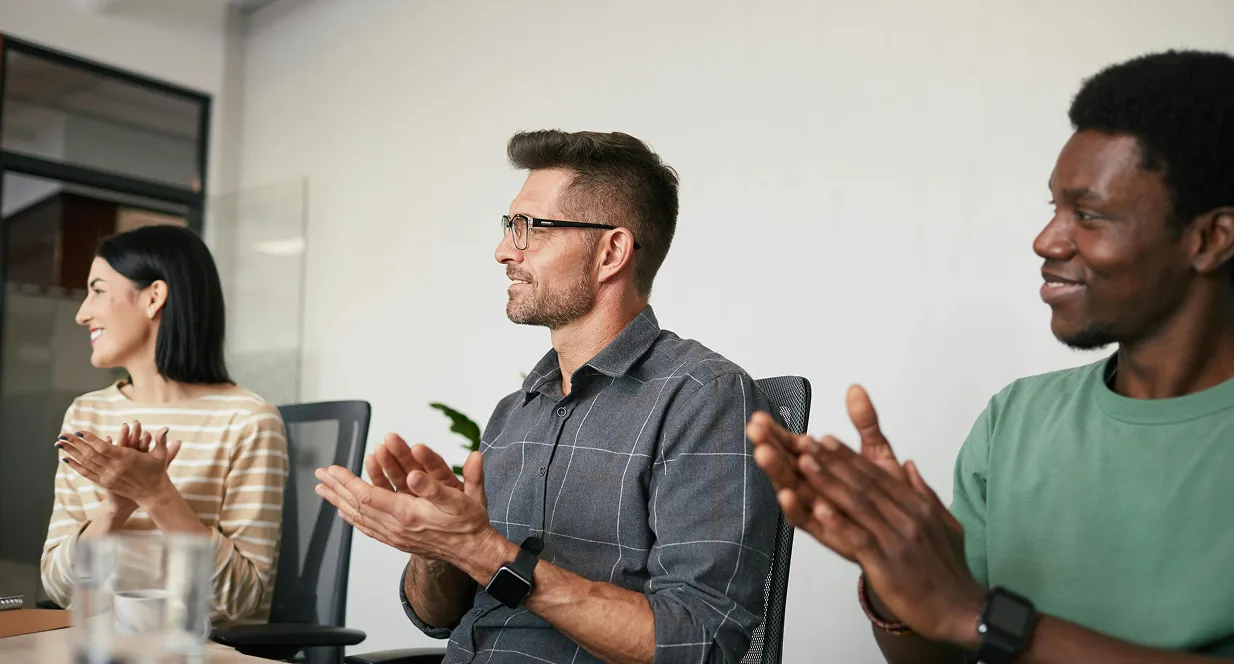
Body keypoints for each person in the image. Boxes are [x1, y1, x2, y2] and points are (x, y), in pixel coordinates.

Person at [749, 49, 1234, 663]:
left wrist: (981, 615)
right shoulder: (1018, 418)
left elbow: (972, 620)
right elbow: (937, 655)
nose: (1046, 240)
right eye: (1054, 208)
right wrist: (899, 573)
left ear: (1209, 239)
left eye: (1088, 215)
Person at [315, 130, 780, 663]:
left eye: (529, 228)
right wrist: (439, 549)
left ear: (610, 252)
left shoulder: (704, 398)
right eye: (508, 227)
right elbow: (436, 617)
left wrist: (483, 552)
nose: (503, 251)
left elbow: (702, 643)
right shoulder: (514, 413)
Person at [40, 224, 289, 629]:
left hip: (195, 651)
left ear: (154, 297)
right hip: (94, 645)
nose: (82, 313)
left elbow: (241, 601)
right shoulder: (86, 415)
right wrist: (114, 509)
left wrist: (156, 495)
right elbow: (58, 588)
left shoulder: (248, 420)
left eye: (98, 290)